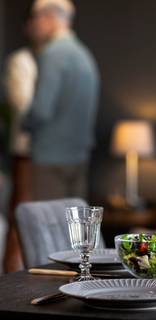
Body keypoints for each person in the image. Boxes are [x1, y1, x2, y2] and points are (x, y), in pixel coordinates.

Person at [23, 0, 100, 200]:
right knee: (75, 227)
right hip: (79, 157)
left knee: (47, 226)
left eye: (36, 18)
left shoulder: (52, 54)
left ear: (49, 17)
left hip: (51, 159)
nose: (34, 25)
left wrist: (23, 123)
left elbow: (41, 110)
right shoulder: (84, 54)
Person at [3, 12, 42, 273]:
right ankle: (10, 273)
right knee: (22, 212)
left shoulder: (52, 61)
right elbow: (24, 105)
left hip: (48, 152)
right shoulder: (20, 61)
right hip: (26, 151)